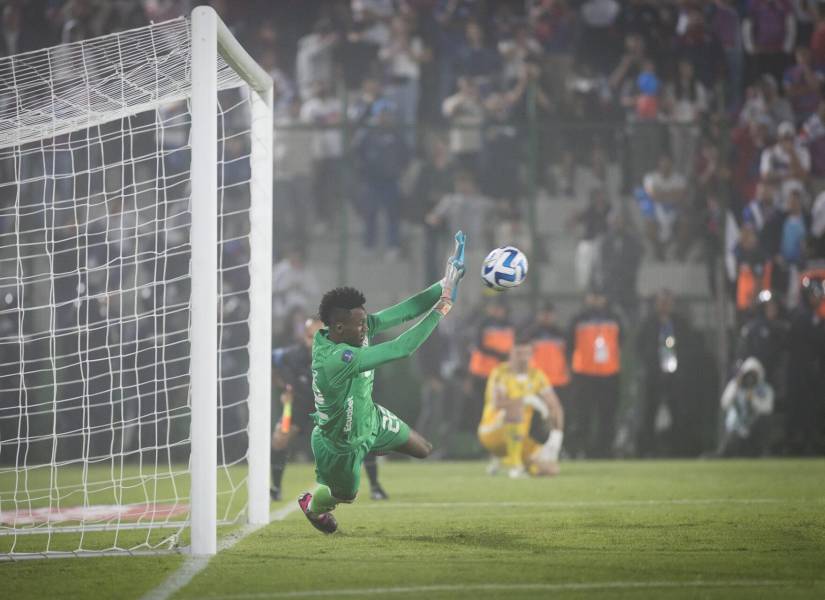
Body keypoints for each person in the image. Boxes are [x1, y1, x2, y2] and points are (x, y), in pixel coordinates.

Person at [297, 232, 467, 534]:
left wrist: (447, 281)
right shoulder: (335, 359)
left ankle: (374, 446)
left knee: (423, 449)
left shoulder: (353, 330)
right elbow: (400, 348)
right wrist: (441, 310)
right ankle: (312, 506)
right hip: (341, 444)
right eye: (361, 324)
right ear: (339, 328)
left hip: (370, 418)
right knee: (345, 495)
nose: (367, 328)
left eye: (365, 321)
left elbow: (407, 309)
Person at [271, 318, 389, 501]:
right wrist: (283, 386)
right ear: (304, 337)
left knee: (362, 435)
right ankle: (276, 489)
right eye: (310, 336)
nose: (314, 341)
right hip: (301, 407)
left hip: (333, 407)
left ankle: (375, 486)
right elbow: (269, 360)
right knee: (280, 436)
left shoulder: (342, 354)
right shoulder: (291, 355)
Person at [478, 332, 564, 478]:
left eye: (526, 353)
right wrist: (527, 400)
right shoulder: (501, 372)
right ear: (511, 354)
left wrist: (556, 439)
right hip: (492, 431)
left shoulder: (537, 376)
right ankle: (516, 467)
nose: (522, 358)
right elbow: (497, 403)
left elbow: (555, 406)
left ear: (531, 355)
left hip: (520, 437)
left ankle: (505, 461)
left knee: (551, 470)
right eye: (519, 353)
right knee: (516, 408)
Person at [567, 287, 622, 458]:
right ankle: (582, 450)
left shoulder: (614, 318)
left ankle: (605, 450)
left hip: (609, 374)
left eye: (599, 297)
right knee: (583, 415)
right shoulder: (578, 319)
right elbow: (569, 344)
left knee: (607, 415)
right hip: (584, 374)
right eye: (593, 296)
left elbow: (622, 340)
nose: (596, 300)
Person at [716, 357, 775, 457]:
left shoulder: (766, 389)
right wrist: (736, 386)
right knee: (728, 450)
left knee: (765, 420)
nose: (750, 379)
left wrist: (753, 399)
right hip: (736, 429)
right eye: (748, 375)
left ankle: (761, 452)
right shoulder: (735, 386)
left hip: (754, 430)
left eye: (753, 376)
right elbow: (725, 404)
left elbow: (767, 409)